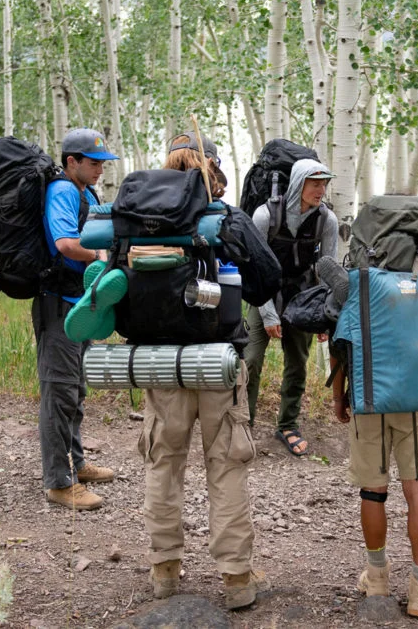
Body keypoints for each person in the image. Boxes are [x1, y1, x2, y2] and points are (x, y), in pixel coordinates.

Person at [138, 132, 280, 610]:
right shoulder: (226, 218)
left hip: (162, 364)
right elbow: (266, 282)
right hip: (218, 363)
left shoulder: (141, 221)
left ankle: (164, 571)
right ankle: (237, 578)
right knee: (226, 467)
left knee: (163, 463)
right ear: (212, 170)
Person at [35, 128, 117, 511]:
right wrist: (102, 258)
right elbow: (66, 243)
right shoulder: (63, 191)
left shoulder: (85, 192)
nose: (101, 169)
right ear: (72, 161)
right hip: (59, 306)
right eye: (94, 162)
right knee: (60, 392)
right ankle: (58, 482)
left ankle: (77, 464)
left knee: (76, 390)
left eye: (102, 163)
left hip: (80, 303)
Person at [329, 351, 418, 619]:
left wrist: (339, 396)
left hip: (369, 394)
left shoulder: (354, 304)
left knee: (372, 491)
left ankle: (377, 577)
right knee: (417, 491)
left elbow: (337, 347)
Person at [244, 159, 338, 456]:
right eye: (315, 183)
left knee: (296, 364)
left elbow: (328, 271)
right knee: (250, 362)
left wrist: (326, 317)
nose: (321, 190)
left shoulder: (327, 220)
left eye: (324, 183)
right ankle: (242, 425)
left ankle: (288, 425)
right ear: (299, 184)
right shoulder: (264, 216)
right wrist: (269, 314)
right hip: (263, 293)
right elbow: (254, 269)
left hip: (302, 297)